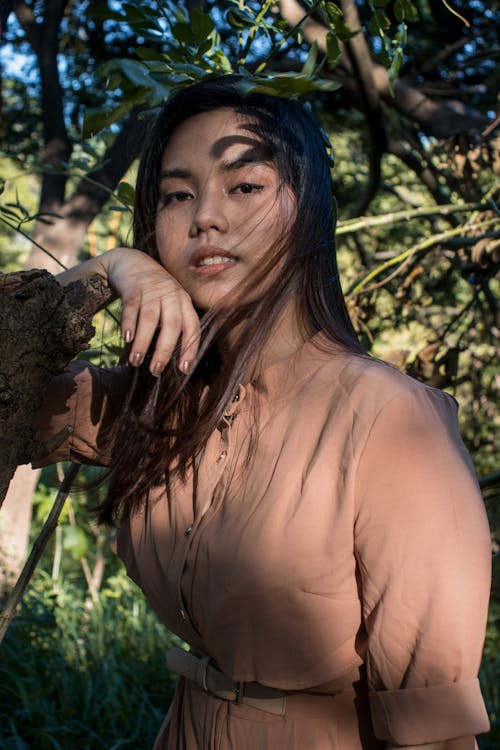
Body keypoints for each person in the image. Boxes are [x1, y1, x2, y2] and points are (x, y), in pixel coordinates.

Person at [33, 76, 491, 749]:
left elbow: (434, 733)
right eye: (176, 195)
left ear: (307, 207)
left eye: (243, 185)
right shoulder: (156, 398)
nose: (204, 218)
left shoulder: (391, 421)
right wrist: (112, 269)